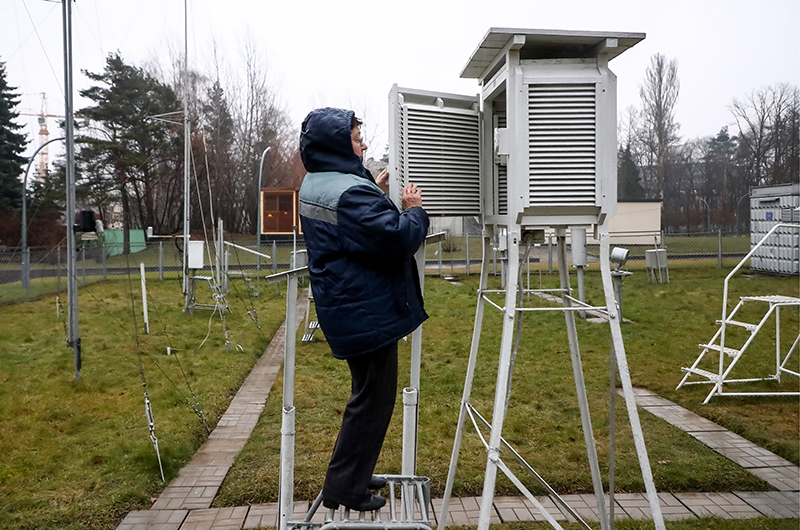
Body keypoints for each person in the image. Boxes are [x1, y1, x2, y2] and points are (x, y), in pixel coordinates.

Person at [298, 107, 429, 512]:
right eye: (357, 138)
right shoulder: (350, 194)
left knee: (366, 397)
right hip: (365, 313)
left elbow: (350, 218)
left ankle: (350, 475)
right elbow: (394, 239)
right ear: (338, 144)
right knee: (373, 402)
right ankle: (345, 488)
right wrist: (413, 210)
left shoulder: (318, 181)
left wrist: (372, 184)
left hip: (349, 308)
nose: (364, 143)